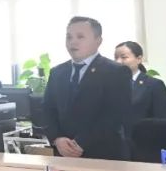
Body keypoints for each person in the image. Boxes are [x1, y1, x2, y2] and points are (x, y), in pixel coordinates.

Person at [43, 17, 131, 160]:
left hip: (103, 154)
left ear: (98, 41)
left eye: (80, 37)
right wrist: (57, 138)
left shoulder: (116, 72)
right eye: (69, 37)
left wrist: (80, 143)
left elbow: (114, 115)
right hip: (63, 154)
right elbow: (47, 109)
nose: (73, 42)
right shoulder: (57, 72)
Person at [114, 41, 166, 142]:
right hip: (113, 143)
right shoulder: (110, 84)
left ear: (139, 59)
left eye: (124, 57)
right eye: (116, 58)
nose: (118, 61)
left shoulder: (153, 85)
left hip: (142, 142)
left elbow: (162, 121)